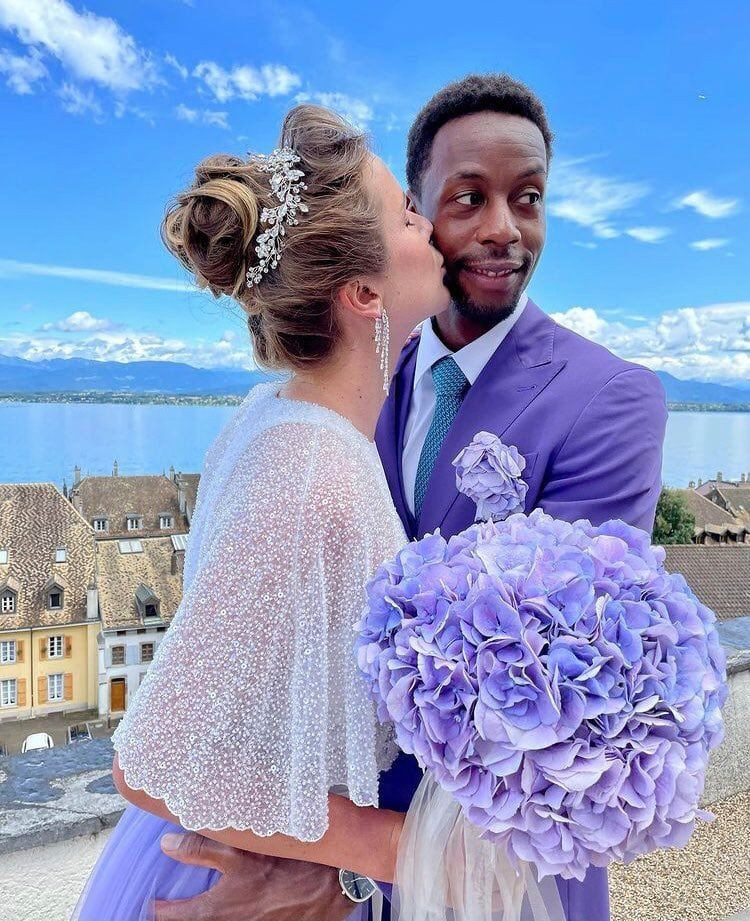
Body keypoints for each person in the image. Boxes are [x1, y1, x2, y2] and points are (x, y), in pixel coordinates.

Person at [156, 74, 668, 921]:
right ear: (418, 215)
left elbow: (567, 716)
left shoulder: (610, 399)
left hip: (495, 886)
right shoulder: (337, 386)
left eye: (529, 197)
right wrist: (326, 859)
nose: (503, 228)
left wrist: (338, 868)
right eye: (468, 198)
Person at [71, 102, 451, 921]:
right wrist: (395, 848)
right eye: (406, 216)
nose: (429, 226)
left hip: (267, 857)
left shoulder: (282, 418)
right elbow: (152, 761)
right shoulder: (309, 466)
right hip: (226, 882)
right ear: (364, 292)